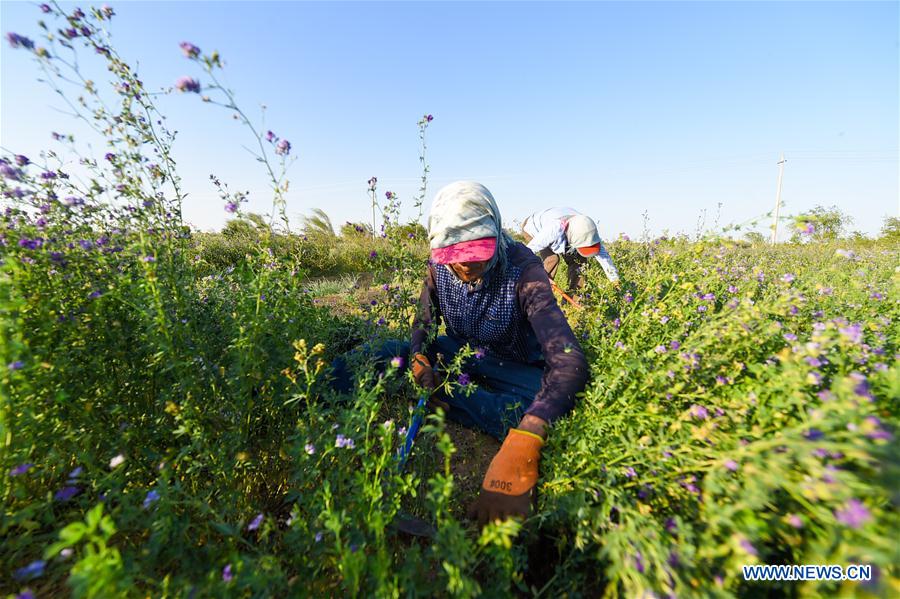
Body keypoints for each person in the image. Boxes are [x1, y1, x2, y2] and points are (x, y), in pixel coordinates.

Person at [329, 181, 589, 526]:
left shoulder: (524, 270)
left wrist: (527, 437)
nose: (465, 265)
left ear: (495, 234)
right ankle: (316, 391)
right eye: (455, 255)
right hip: (458, 352)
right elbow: (425, 317)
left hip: (513, 365)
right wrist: (420, 354)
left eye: (477, 251)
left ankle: (451, 399)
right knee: (385, 353)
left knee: (534, 406)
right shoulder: (438, 267)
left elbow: (569, 361)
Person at [521, 207, 620, 294]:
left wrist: (615, 280)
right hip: (533, 228)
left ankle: (573, 300)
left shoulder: (587, 230)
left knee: (580, 263)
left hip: (565, 230)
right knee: (552, 259)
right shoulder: (553, 230)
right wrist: (539, 275)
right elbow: (527, 252)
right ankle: (534, 294)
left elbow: (604, 258)